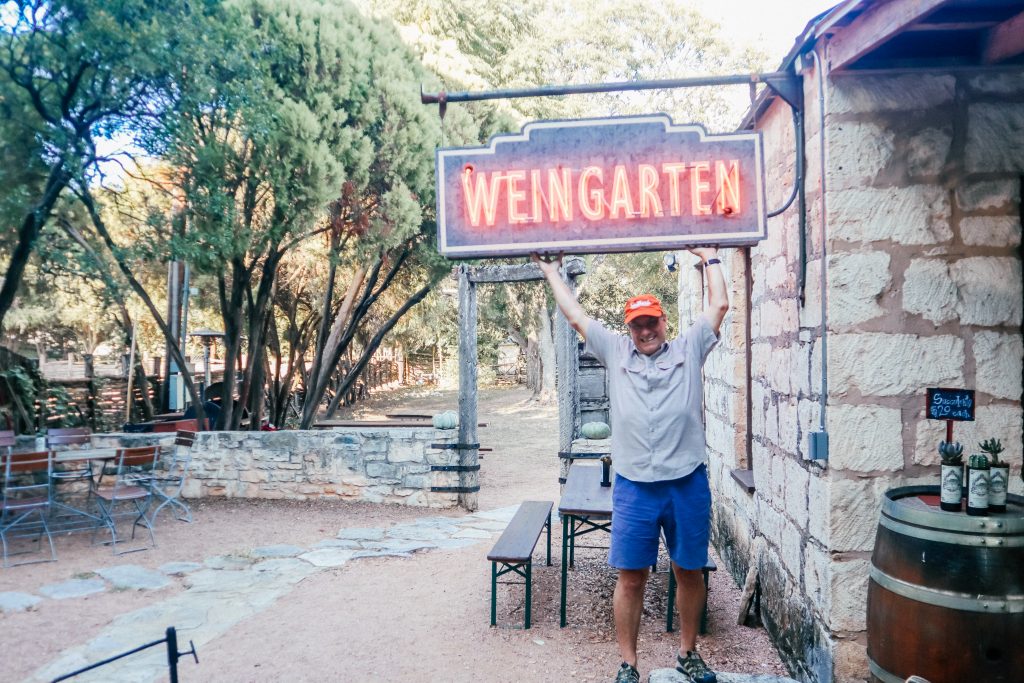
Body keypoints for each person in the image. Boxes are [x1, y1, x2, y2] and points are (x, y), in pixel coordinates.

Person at [534, 248, 728, 683]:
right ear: (629, 328)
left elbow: (718, 305)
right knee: (631, 577)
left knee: (689, 570)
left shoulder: (689, 348)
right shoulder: (616, 352)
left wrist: (711, 257)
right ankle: (629, 663)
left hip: (686, 482)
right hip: (635, 485)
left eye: (652, 322)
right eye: (637, 324)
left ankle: (689, 653)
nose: (645, 330)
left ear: (664, 323)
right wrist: (551, 270)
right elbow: (576, 317)